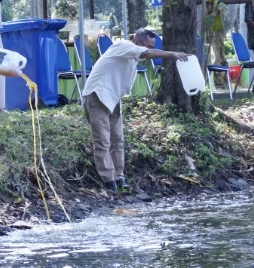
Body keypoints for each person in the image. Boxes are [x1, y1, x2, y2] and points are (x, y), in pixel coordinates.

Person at [81, 28, 190, 192]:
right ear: (138, 42)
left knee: (117, 140)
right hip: (97, 95)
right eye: (148, 45)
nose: (150, 49)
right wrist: (173, 54)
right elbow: (146, 53)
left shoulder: (132, 58)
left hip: (113, 99)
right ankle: (109, 181)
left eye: (152, 46)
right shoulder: (122, 45)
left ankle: (119, 177)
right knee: (102, 141)